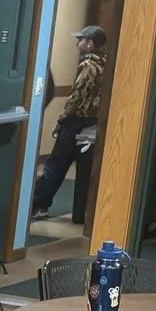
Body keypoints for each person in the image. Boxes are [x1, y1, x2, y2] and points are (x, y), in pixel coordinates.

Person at [28, 25, 108, 224]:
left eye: (81, 39)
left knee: (55, 164)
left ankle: (38, 204)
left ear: (90, 43)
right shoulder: (105, 63)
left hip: (75, 120)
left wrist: (61, 119)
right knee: (68, 165)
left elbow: (76, 96)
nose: (77, 43)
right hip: (92, 120)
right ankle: (45, 204)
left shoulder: (88, 65)